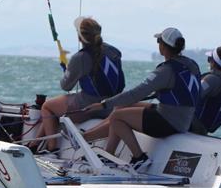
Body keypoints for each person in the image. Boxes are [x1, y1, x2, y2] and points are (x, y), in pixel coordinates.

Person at [83, 27, 201, 172]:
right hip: (182, 119)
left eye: (159, 41)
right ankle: (108, 155)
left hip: (169, 121)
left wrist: (103, 104)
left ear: (163, 46)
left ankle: (139, 158)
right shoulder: (191, 65)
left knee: (116, 117)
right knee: (119, 108)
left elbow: (135, 93)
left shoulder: (165, 71)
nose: (158, 44)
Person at [35, 17, 124, 153]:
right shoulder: (115, 52)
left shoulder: (80, 57)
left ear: (79, 37)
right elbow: (121, 84)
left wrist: (67, 69)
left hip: (88, 106)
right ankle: (34, 144)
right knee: (55, 107)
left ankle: (52, 148)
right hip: (111, 106)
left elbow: (66, 86)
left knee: (47, 107)